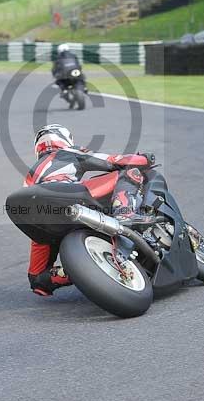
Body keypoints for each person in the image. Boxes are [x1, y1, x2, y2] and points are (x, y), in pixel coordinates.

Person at [20, 123, 155, 296]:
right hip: (65, 197)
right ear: (64, 139)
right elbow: (112, 161)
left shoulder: (30, 174)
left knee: (38, 278)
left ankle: (78, 271)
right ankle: (125, 214)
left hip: (38, 218)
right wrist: (144, 159)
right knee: (130, 172)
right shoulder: (66, 152)